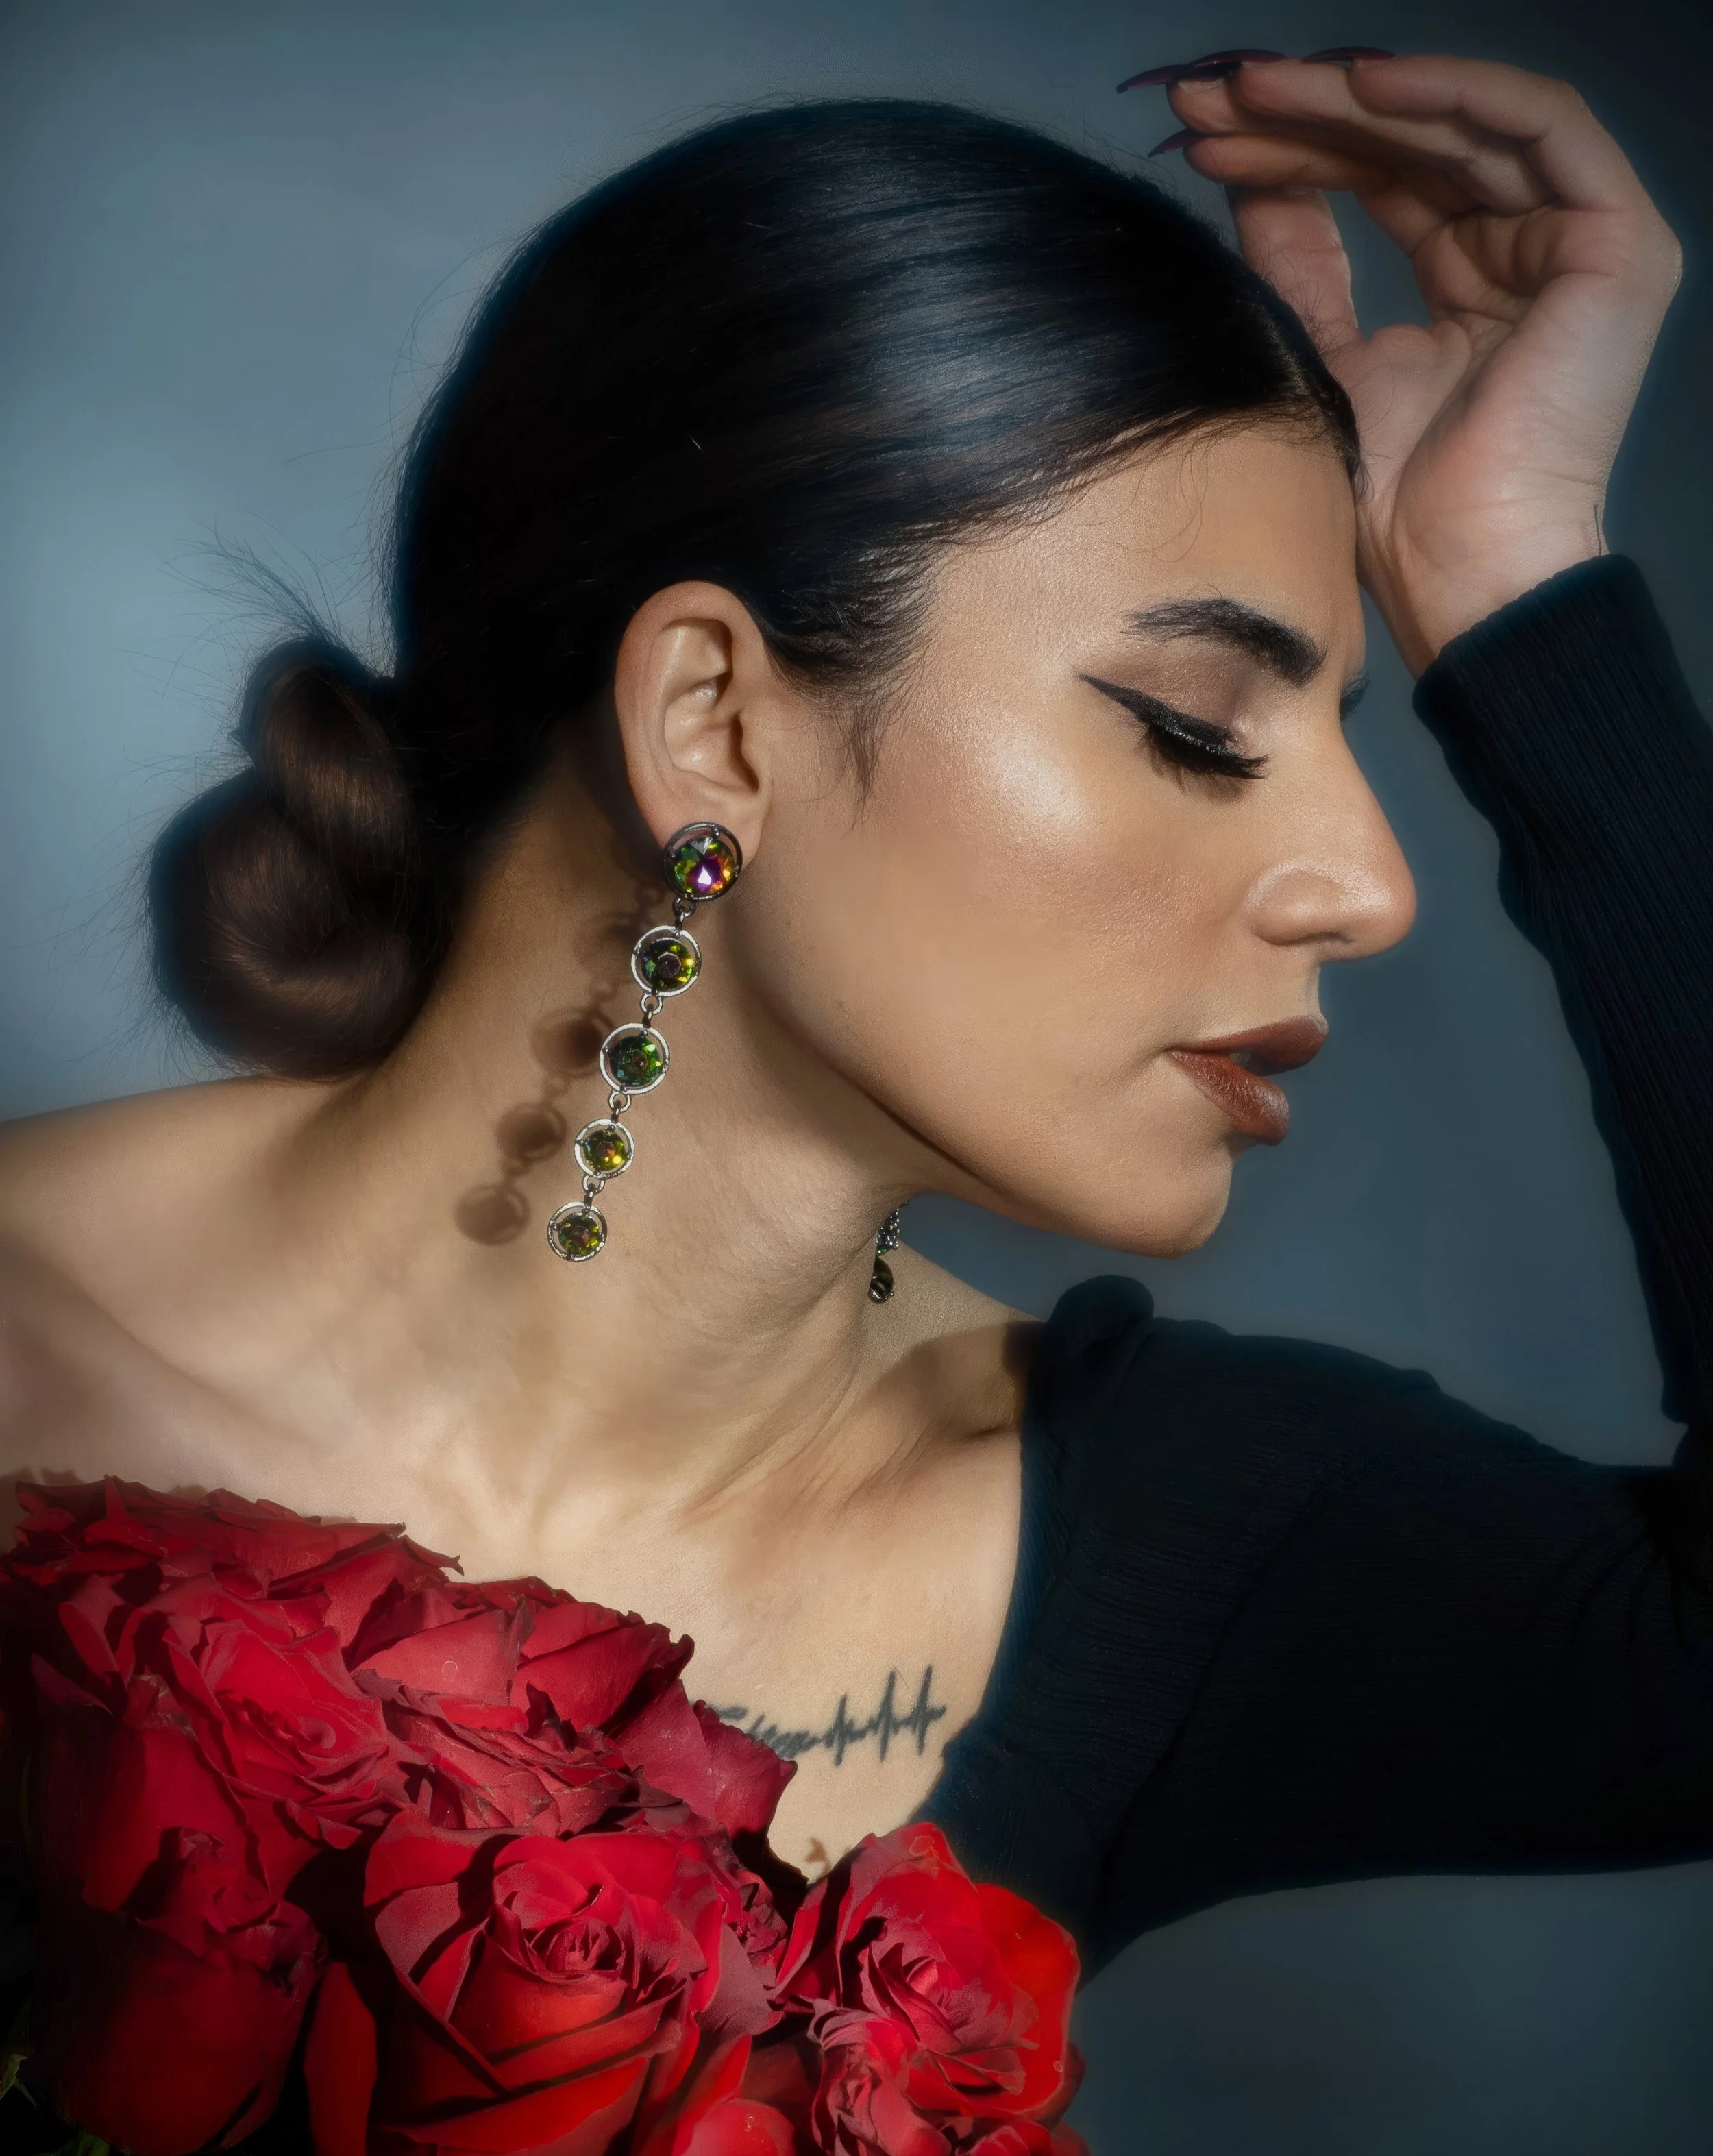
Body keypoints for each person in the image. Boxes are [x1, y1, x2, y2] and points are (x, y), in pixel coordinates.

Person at [0, 53, 1705, 1957]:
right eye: (1196, 727)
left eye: (1343, 730)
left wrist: (1521, 583)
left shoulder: (1165, 1534)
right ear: (713, 723)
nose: (1372, 886)